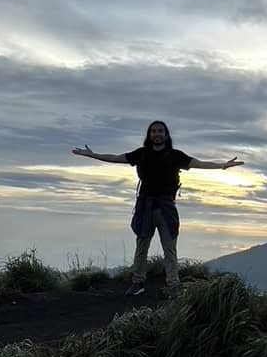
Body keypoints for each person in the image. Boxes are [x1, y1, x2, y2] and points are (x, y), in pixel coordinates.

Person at [72, 121, 243, 295]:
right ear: (149, 134)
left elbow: (198, 163)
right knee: (141, 247)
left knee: (169, 248)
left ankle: (173, 285)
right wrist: (93, 155)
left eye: (160, 131)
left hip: (166, 208)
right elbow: (116, 158)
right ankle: (138, 283)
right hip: (145, 207)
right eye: (153, 131)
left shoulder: (175, 155)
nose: (157, 134)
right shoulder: (141, 154)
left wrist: (222, 165)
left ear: (166, 134)